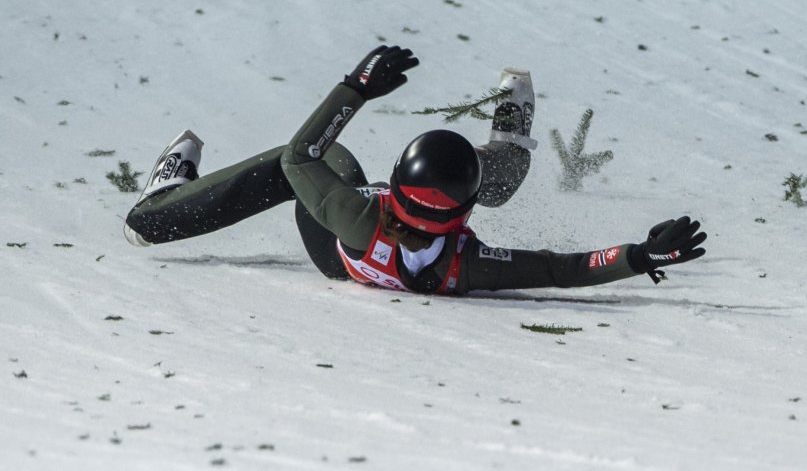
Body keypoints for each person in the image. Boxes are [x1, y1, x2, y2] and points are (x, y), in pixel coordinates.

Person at [123, 45, 706, 295]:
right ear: (462, 214)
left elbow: (302, 155)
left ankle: (154, 216)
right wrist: (639, 256)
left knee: (291, 169)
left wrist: (356, 89)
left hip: (337, 245)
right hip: (402, 231)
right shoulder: (466, 266)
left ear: (395, 189)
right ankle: (509, 141)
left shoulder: (357, 216)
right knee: (488, 176)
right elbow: (563, 271)